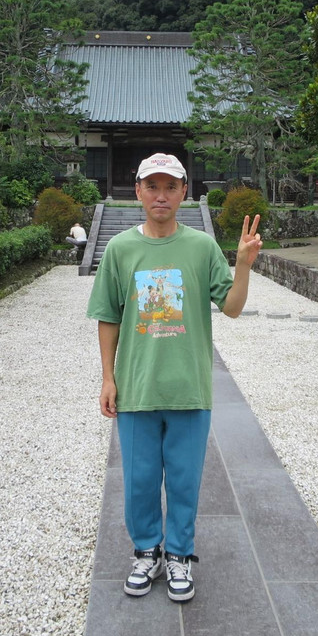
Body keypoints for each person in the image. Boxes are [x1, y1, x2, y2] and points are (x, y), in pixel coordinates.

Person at [86, 152, 262, 603]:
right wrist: (108, 377)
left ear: (185, 192)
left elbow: (234, 307)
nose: (161, 196)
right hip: (138, 388)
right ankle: (146, 550)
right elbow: (108, 316)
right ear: (138, 191)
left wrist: (242, 263)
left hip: (188, 388)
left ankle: (180, 554)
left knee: (184, 480)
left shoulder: (201, 248)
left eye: (170, 187)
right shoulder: (121, 249)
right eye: (152, 186)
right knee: (140, 479)